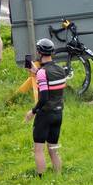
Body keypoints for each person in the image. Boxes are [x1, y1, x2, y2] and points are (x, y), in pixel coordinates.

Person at [23, 37, 66, 177]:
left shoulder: (42, 73)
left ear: (39, 52)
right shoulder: (60, 70)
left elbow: (44, 98)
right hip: (58, 114)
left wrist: (32, 111)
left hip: (45, 115)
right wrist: (37, 72)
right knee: (53, 149)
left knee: (38, 149)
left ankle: (41, 179)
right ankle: (58, 177)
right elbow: (51, 82)